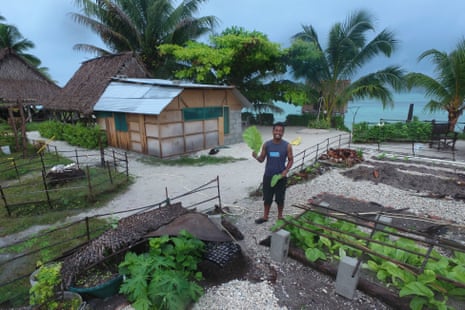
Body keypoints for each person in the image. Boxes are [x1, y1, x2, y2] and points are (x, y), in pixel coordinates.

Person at [252, 122, 293, 224]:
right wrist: (256, 156)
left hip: (280, 177)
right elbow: (262, 159)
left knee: (280, 198)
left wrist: (286, 171)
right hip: (268, 176)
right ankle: (265, 217)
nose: (278, 132)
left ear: (283, 133)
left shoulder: (287, 146)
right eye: (276, 130)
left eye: (280, 131)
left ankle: (280, 217)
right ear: (273, 131)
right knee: (267, 198)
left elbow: (291, 160)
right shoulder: (267, 145)